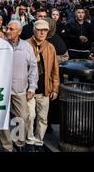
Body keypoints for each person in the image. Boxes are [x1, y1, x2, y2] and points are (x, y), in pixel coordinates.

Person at [0, 20, 38, 152]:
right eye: (7, 28)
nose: (8, 31)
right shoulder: (1, 44)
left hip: (19, 89)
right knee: (3, 119)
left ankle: (18, 142)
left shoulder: (27, 47)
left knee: (21, 118)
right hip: (2, 91)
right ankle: (7, 147)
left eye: (12, 29)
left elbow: (33, 68)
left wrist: (32, 87)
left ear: (19, 32)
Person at [26, 20, 60, 152]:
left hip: (45, 89)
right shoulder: (26, 45)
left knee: (42, 118)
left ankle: (39, 142)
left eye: (45, 30)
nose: (42, 33)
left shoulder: (50, 47)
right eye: (39, 30)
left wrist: (55, 88)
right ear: (34, 30)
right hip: (29, 90)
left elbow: (55, 70)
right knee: (30, 116)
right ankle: (29, 141)